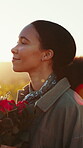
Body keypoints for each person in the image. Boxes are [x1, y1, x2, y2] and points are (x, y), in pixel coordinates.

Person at [10, 20, 83, 148]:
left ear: (47, 54)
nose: (13, 49)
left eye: (23, 42)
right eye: (17, 42)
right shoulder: (24, 99)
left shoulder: (70, 106)